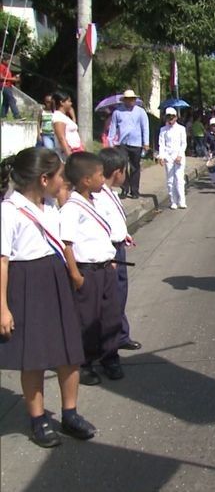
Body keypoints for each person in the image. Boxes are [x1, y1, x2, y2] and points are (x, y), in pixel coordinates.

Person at [0, 147, 96, 448]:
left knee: (70, 352)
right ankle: (38, 419)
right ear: (44, 179)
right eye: (59, 176)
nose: (63, 181)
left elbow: (63, 242)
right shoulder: (9, 211)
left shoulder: (51, 206)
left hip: (55, 277)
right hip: (27, 282)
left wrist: (73, 275)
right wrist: (2, 308)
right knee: (34, 358)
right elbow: (2, 261)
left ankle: (70, 414)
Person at [59, 152, 124, 386]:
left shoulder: (97, 201)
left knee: (110, 315)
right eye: (98, 175)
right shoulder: (72, 208)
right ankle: (85, 362)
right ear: (86, 180)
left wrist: (112, 258)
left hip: (105, 268)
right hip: (87, 270)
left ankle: (110, 356)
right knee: (88, 319)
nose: (102, 179)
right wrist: (76, 275)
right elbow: (66, 244)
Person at [94, 147, 142, 352]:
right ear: (117, 172)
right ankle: (108, 346)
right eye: (125, 171)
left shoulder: (110, 192)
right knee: (112, 299)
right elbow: (101, 228)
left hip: (118, 247)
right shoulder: (98, 197)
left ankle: (122, 335)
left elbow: (114, 221)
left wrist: (124, 235)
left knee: (120, 295)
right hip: (109, 252)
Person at [108, 90, 150, 199]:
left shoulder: (140, 112)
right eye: (128, 99)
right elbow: (113, 127)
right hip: (122, 143)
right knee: (122, 166)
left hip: (136, 143)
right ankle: (124, 188)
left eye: (132, 99)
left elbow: (145, 127)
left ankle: (135, 190)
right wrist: (110, 141)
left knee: (135, 167)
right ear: (124, 100)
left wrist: (146, 142)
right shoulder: (117, 112)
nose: (131, 101)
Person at [157, 107, 188, 209]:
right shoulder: (163, 130)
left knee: (179, 179)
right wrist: (161, 156)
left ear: (176, 117)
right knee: (170, 180)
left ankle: (181, 201)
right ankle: (173, 201)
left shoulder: (181, 129)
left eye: (172, 116)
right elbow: (161, 144)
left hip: (178, 155)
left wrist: (179, 155)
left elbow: (183, 143)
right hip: (168, 156)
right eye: (168, 117)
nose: (170, 119)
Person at [51, 91, 83, 159]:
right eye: (69, 101)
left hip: (76, 150)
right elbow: (61, 138)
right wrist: (69, 155)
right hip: (67, 152)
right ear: (61, 102)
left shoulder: (65, 117)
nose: (71, 104)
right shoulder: (58, 117)